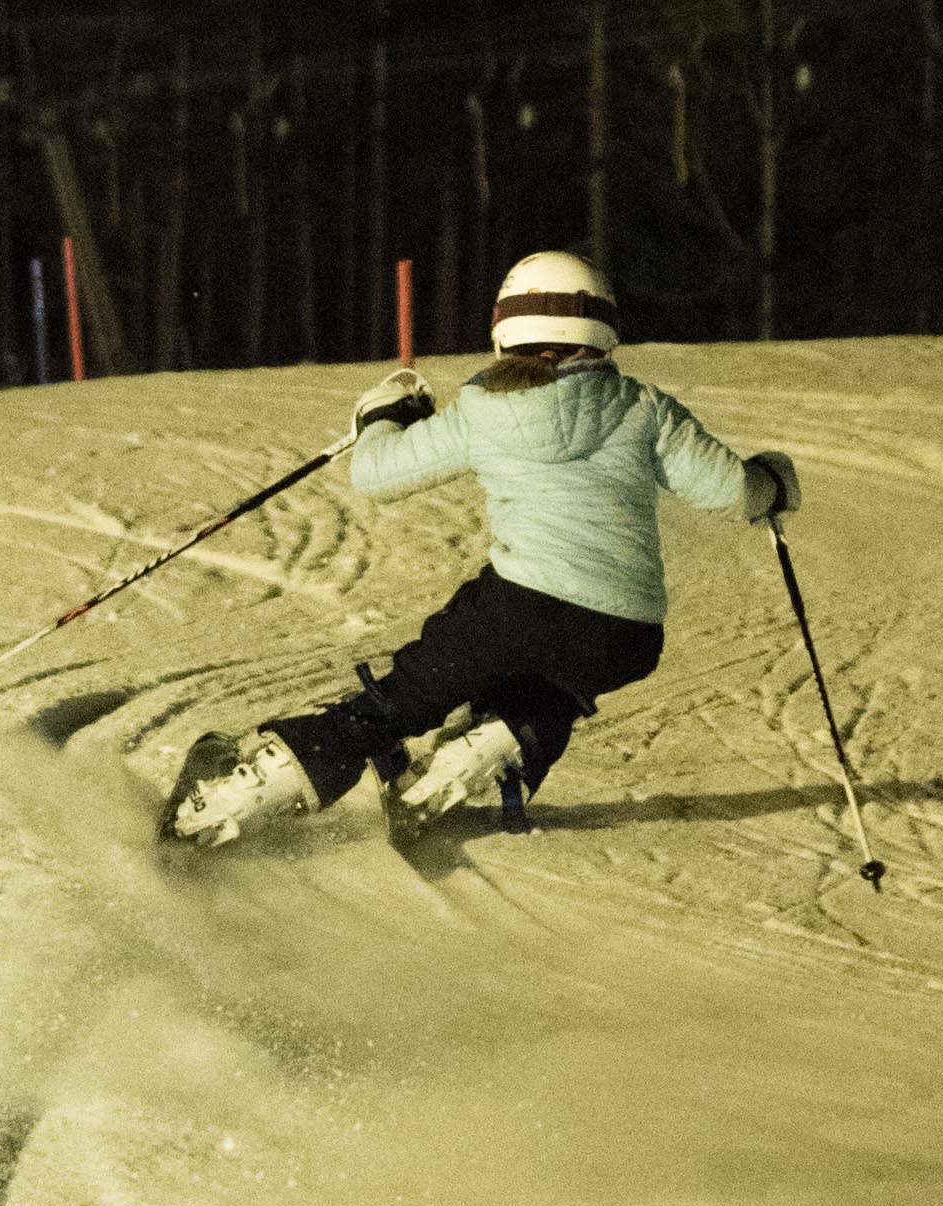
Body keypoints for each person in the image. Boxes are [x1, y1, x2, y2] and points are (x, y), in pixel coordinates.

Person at [160, 248, 798, 848]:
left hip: (517, 610)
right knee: (556, 689)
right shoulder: (643, 408)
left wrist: (383, 415)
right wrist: (771, 482)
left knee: (395, 706)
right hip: (627, 631)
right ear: (605, 329)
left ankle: (219, 808)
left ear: (503, 328)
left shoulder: (484, 409)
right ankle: (474, 755)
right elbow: (735, 492)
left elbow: (378, 476)